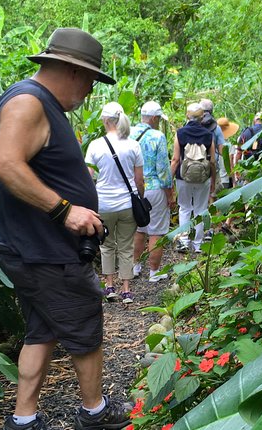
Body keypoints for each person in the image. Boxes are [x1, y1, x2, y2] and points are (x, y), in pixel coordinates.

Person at [0, 28, 132, 430]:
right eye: (90, 80)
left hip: (36, 247)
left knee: (43, 328)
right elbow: (5, 164)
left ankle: (24, 418)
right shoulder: (28, 102)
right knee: (84, 319)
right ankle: (95, 412)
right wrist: (65, 211)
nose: (89, 90)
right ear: (72, 71)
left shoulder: (41, 103)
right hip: (43, 250)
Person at [85, 103, 144, 304]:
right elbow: (139, 180)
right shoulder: (133, 145)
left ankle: (110, 286)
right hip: (127, 204)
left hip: (104, 205)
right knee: (126, 247)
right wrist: (140, 198)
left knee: (107, 246)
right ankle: (126, 290)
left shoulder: (95, 145)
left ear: (105, 120)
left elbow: (88, 177)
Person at [129, 101, 173, 282]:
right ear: (154, 118)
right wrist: (170, 193)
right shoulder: (158, 136)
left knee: (139, 229)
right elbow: (163, 169)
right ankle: (154, 272)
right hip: (154, 188)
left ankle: (135, 267)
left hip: (134, 189)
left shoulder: (128, 133)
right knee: (156, 231)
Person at [171, 103, 216, 253]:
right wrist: (213, 182)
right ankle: (198, 244)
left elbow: (176, 159)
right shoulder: (208, 135)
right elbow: (213, 161)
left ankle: (184, 240)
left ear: (187, 116)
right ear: (202, 117)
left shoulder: (180, 133)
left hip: (183, 177)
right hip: (203, 178)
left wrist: (169, 180)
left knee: (184, 208)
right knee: (201, 209)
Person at [235, 111, 262, 186]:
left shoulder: (245, 132)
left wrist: (237, 170)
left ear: (255, 120)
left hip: (249, 168)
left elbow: (239, 153)